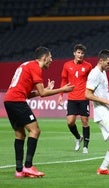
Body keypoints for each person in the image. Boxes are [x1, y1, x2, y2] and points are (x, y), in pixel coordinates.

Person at [4, 47, 74, 178]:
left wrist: (46, 89)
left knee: (20, 135)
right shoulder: (36, 67)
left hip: (9, 100)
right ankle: (29, 166)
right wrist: (62, 89)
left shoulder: (26, 65)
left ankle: (19, 170)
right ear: (44, 58)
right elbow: (42, 93)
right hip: (17, 101)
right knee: (35, 130)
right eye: (50, 57)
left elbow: (29, 94)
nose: (52, 60)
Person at [58, 44, 92, 154]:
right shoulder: (67, 65)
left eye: (82, 53)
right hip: (72, 98)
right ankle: (78, 137)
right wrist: (60, 95)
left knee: (85, 121)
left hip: (83, 97)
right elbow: (64, 81)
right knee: (70, 122)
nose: (80, 55)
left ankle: (85, 147)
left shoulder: (88, 66)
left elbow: (92, 81)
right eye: (78, 52)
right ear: (74, 53)